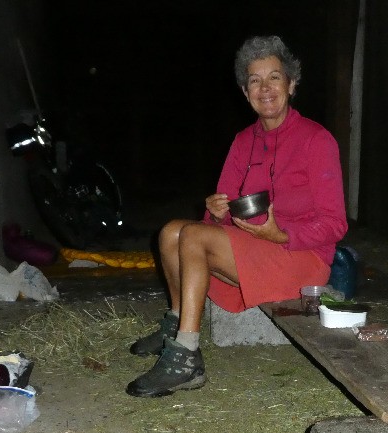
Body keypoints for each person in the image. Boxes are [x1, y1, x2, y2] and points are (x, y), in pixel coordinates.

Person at [126, 35, 348, 397]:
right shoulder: (244, 141)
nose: (265, 88)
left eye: (274, 77)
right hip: (258, 248)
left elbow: (336, 224)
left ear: (291, 84)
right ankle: (174, 326)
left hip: (301, 258)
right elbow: (216, 222)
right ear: (245, 92)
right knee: (171, 232)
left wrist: (283, 234)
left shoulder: (316, 140)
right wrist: (215, 213)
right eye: (255, 80)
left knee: (192, 237)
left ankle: (186, 358)